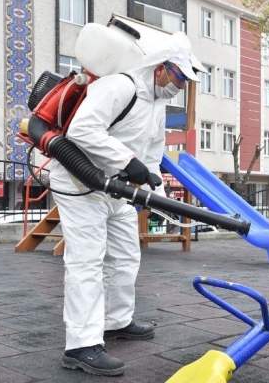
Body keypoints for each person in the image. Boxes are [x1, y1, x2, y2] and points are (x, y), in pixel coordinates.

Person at [51, 31, 204, 376]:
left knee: (125, 254)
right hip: (79, 182)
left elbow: (151, 154)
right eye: (179, 77)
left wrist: (154, 190)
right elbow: (81, 130)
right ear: (161, 68)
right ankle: (80, 345)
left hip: (115, 187)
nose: (180, 86)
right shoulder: (121, 86)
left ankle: (115, 320)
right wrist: (126, 161)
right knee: (87, 260)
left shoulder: (158, 104)